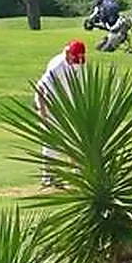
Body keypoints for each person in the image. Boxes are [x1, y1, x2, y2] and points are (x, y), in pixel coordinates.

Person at [35, 39, 86, 186]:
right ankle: (48, 177)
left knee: (77, 138)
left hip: (69, 104)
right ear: (69, 54)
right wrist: (42, 113)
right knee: (52, 141)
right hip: (50, 104)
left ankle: (79, 174)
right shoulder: (57, 66)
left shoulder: (79, 63)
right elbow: (40, 89)